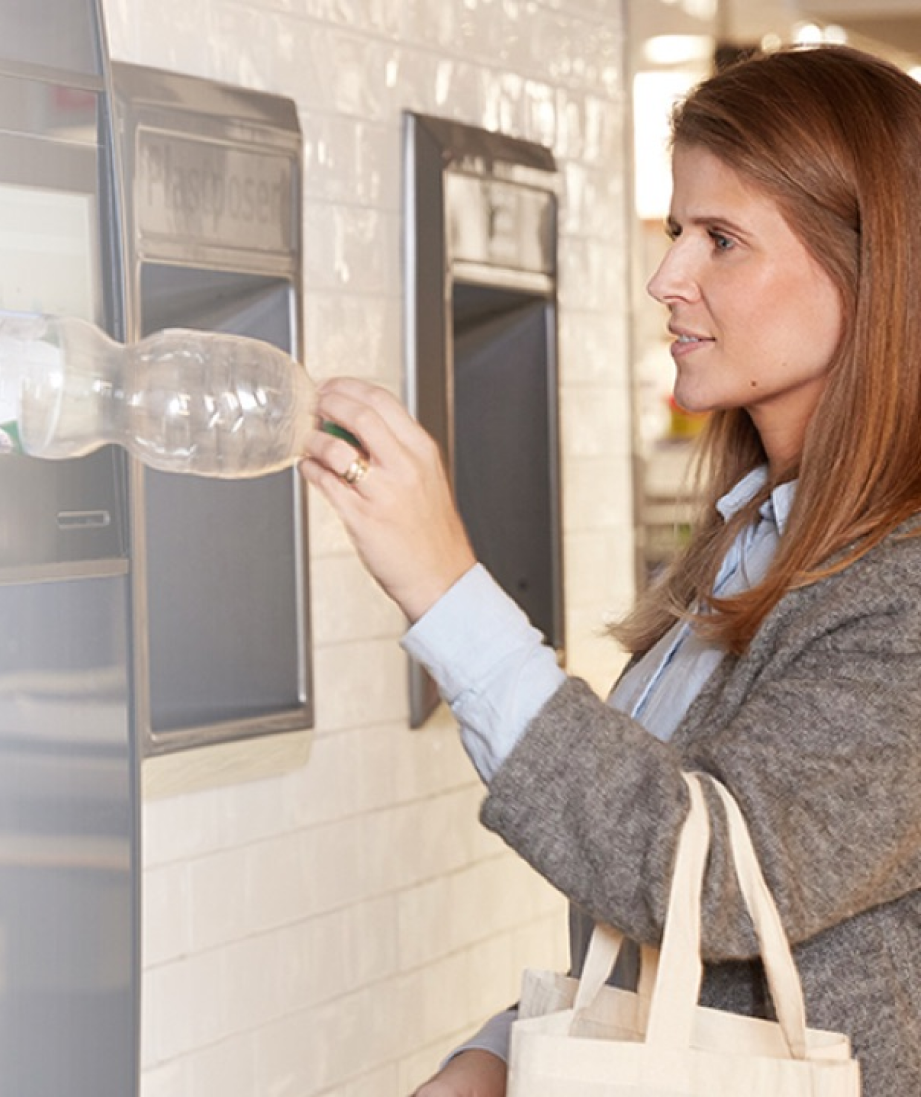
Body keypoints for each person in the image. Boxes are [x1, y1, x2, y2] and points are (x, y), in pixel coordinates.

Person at [302, 44, 921, 1097]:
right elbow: (656, 943)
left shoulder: (900, 593)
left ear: (870, 271)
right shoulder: (750, 543)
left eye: (720, 239)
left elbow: (707, 879)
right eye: (678, 230)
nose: (665, 278)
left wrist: (447, 591)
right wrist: (496, 1056)